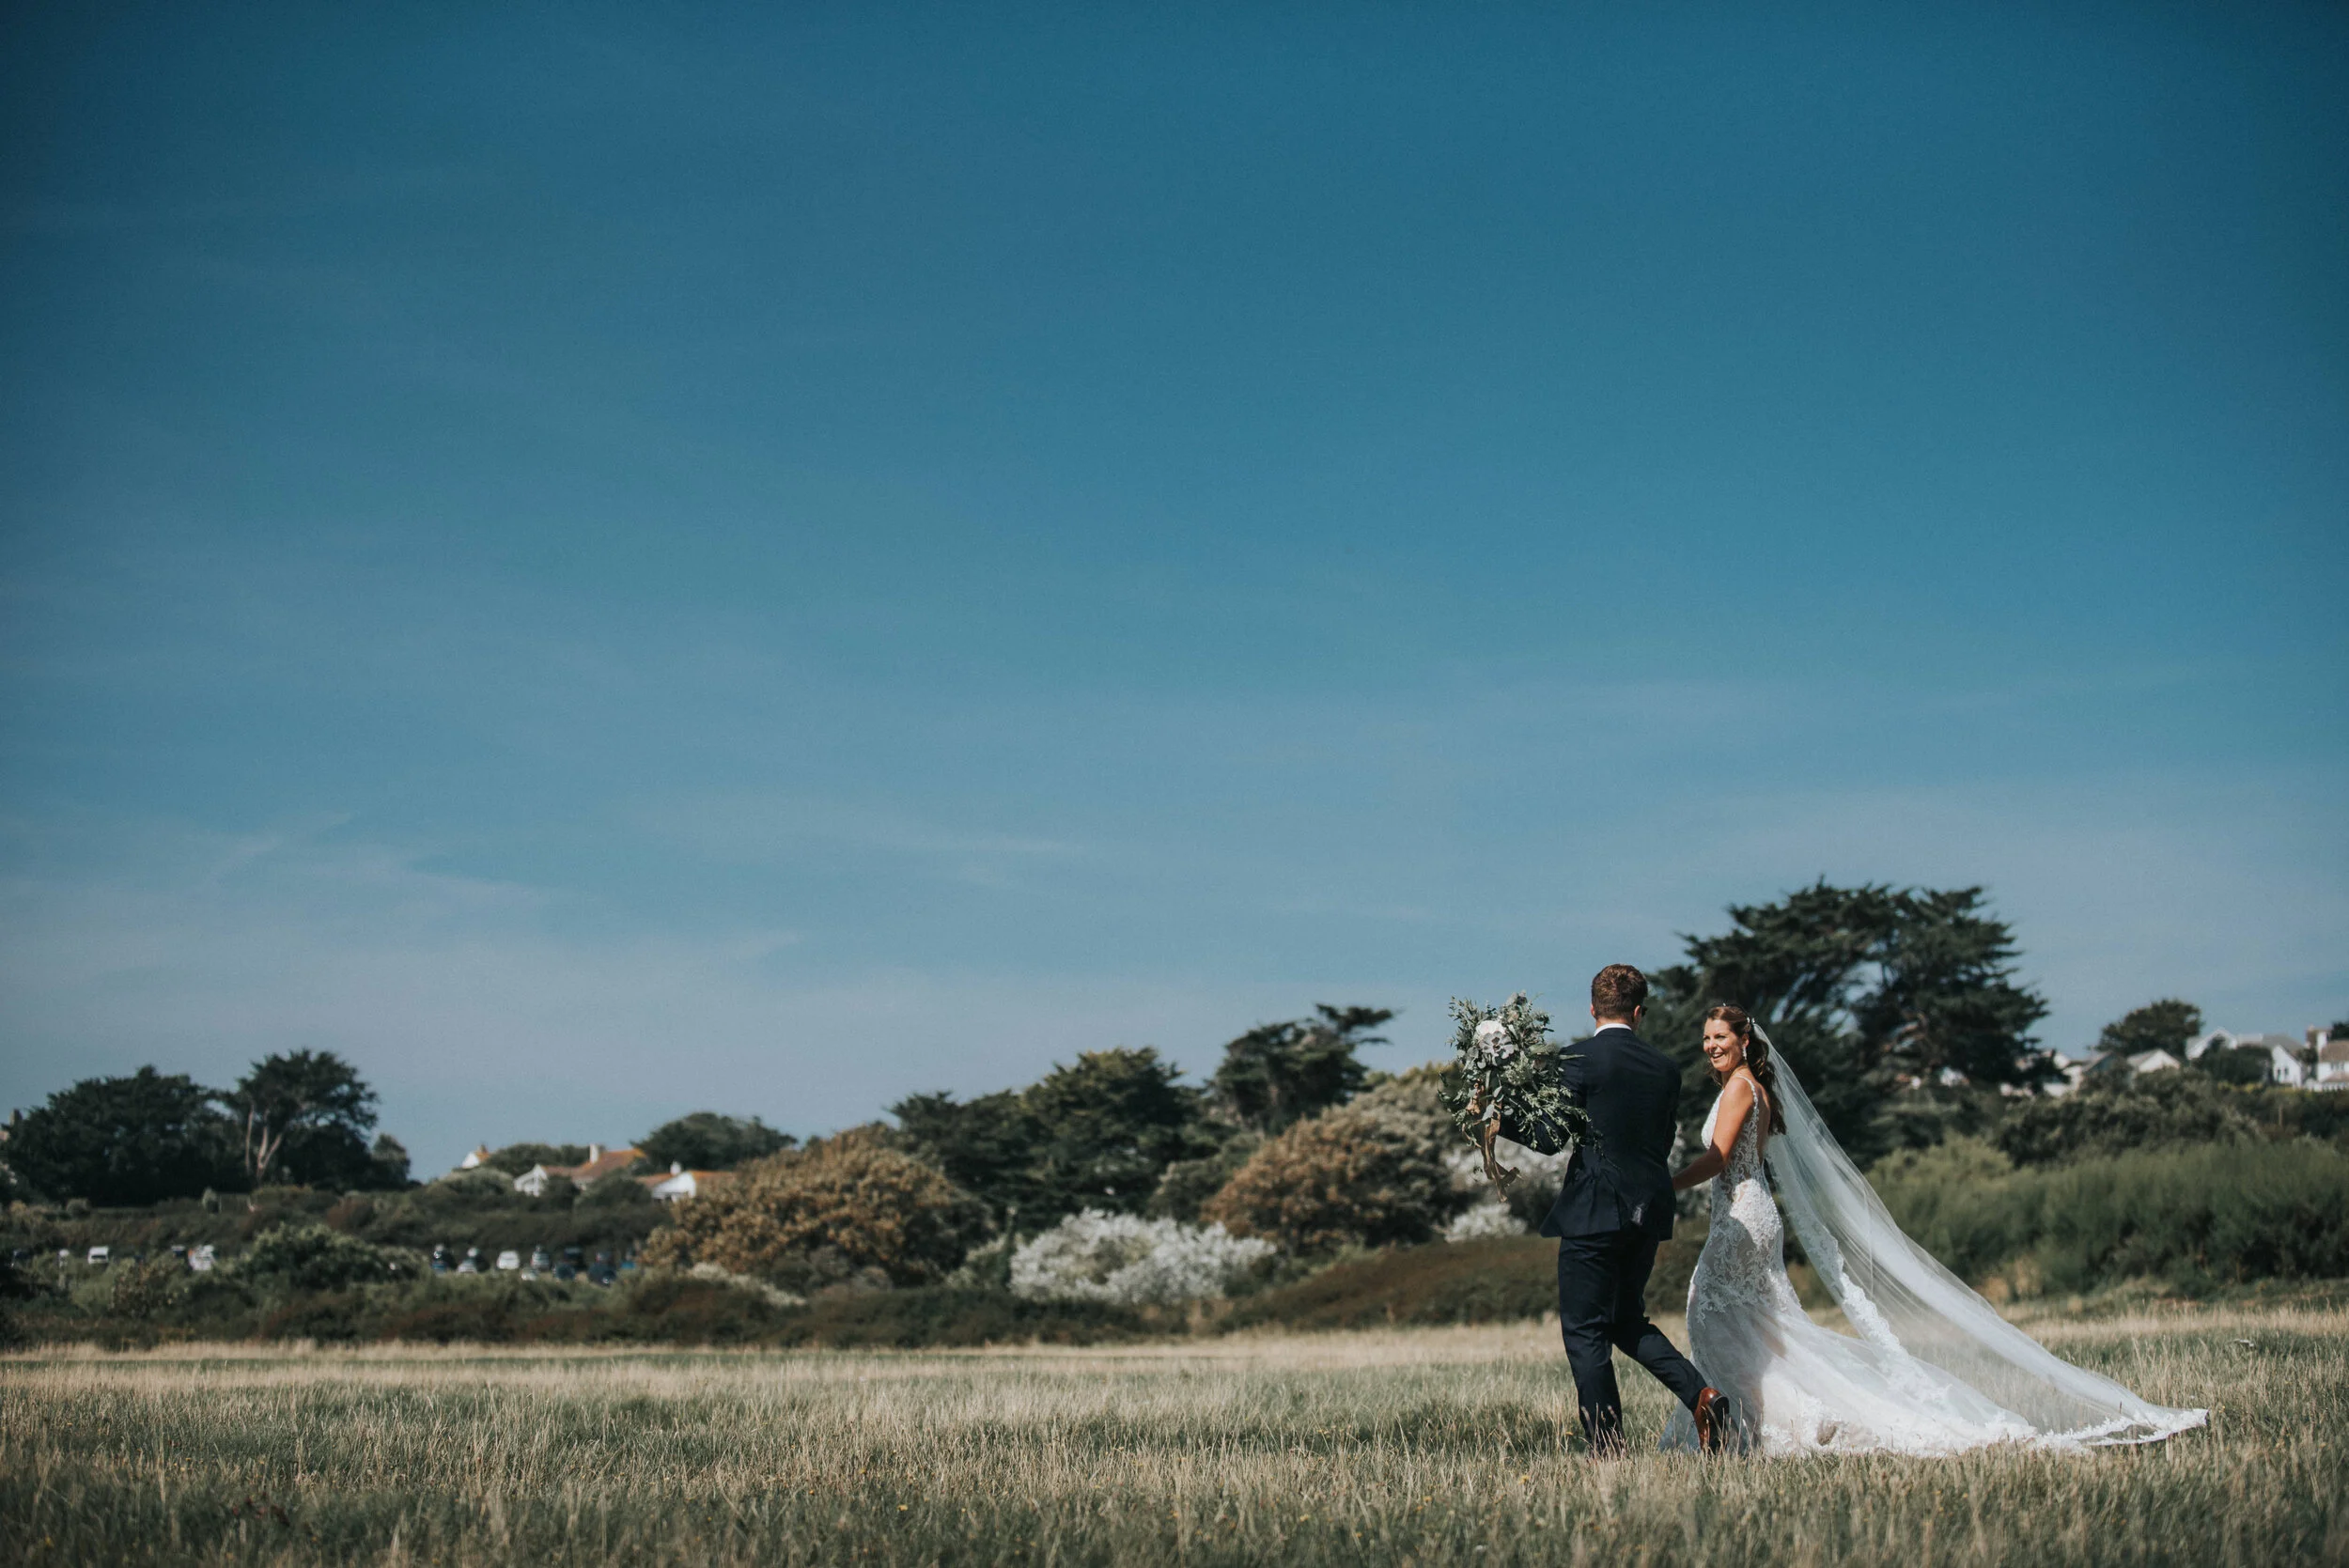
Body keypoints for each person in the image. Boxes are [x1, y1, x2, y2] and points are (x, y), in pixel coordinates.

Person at [1662, 1003, 2207, 1455]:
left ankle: (1747, 1426)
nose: (1711, 1045)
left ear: (1743, 1039)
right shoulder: (1757, 1087)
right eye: (1706, 1038)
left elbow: (1718, 1158)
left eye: (1720, 1036)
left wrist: (1667, 1185)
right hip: (1755, 1213)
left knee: (1709, 1306)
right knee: (1767, 1327)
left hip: (1740, 1217)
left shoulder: (1738, 1088)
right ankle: (1758, 1419)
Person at [1525, 964, 1726, 1456]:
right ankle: (1703, 1395)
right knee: (1623, 1319)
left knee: (1585, 1330)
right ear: (1639, 1013)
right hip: (1649, 1211)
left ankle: (1608, 1447)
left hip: (1594, 1212)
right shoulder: (1665, 1069)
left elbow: (1549, 1138)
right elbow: (1662, 1142)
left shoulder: (1577, 1058)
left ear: (1593, 1009)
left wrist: (1494, 1116)